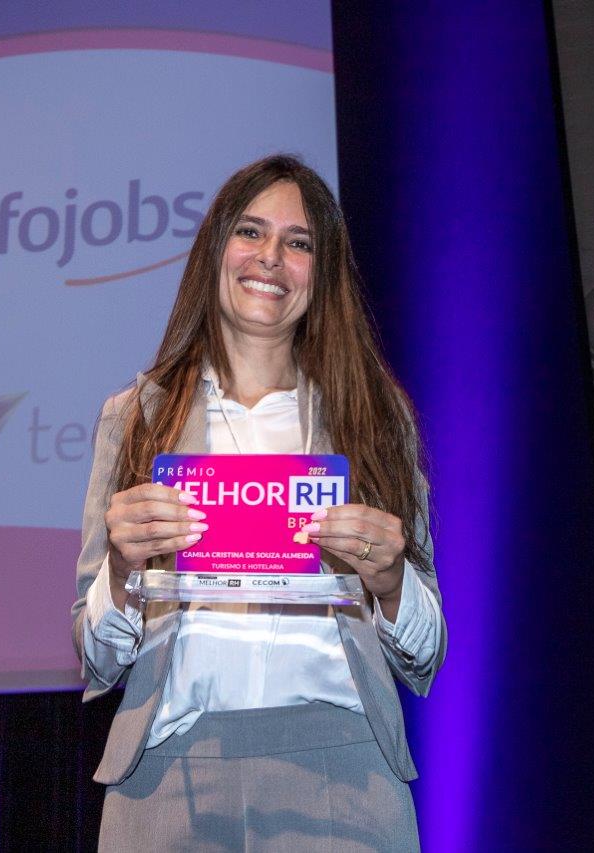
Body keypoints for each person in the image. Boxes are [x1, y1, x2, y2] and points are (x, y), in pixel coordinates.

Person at [71, 154, 446, 851]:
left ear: (321, 274)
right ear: (215, 250)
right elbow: (98, 661)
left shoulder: (374, 416)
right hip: (168, 774)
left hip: (342, 772)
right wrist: (121, 574)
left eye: (299, 242)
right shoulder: (136, 418)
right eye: (250, 231)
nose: (271, 256)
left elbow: (425, 654)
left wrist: (393, 582)